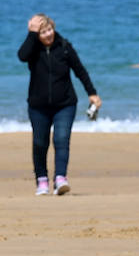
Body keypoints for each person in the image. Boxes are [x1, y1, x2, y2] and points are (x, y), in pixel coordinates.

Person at [18, 13, 101, 195]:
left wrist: (92, 93)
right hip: (38, 106)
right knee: (40, 143)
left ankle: (60, 179)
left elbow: (80, 70)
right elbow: (21, 56)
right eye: (43, 32)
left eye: (50, 30)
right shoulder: (33, 50)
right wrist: (32, 34)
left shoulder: (64, 47)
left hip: (65, 104)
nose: (48, 34)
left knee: (61, 140)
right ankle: (42, 181)